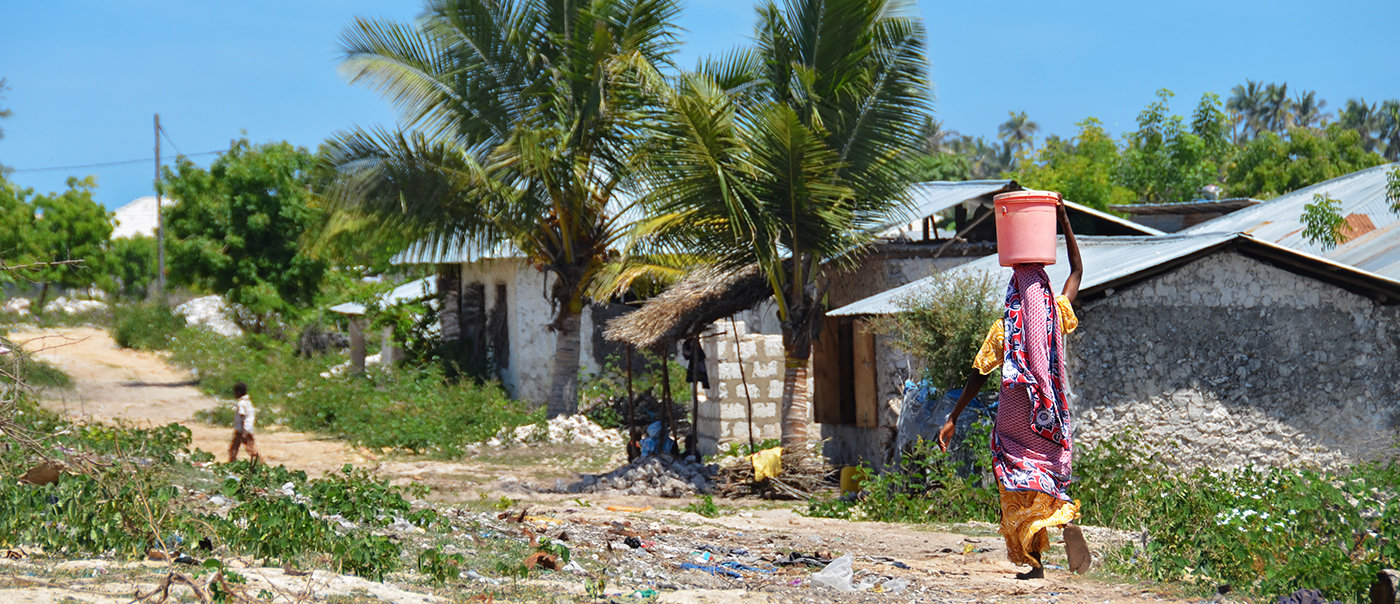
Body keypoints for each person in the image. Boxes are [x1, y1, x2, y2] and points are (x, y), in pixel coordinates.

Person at [938, 197, 1091, 579]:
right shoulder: (1055, 313)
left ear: (1014, 291)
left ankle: (1035, 562)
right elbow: (1077, 270)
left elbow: (980, 373)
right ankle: (1062, 517)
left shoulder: (1006, 328)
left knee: (1016, 480)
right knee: (1048, 473)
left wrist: (952, 416)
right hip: (1049, 413)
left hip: (1013, 418)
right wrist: (1063, 221)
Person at [228, 382, 260, 463]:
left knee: (249, 448)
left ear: (238, 393)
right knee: (234, 447)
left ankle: (260, 462)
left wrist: (243, 431)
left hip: (242, 429)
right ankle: (231, 461)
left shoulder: (241, 403)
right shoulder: (248, 402)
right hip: (247, 428)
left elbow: (242, 416)